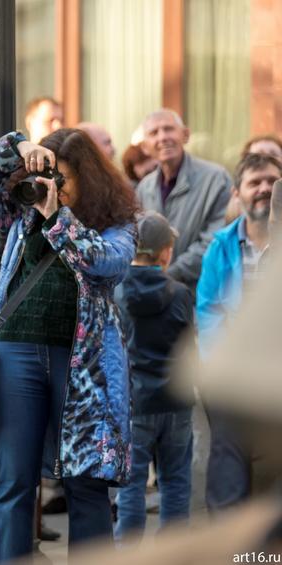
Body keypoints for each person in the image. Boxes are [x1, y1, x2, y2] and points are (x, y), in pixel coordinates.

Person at [0, 127, 138, 563]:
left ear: (88, 178)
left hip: (83, 365)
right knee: (14, 479)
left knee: (86, 480)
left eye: (61, 177)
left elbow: (103, 263)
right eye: (47, 175)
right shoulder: (22, 210)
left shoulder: (117, 223)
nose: (50, 186)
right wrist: (17, 147)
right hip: (15, 352)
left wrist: (59, 218)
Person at [196, 152, 282, 511]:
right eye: (254, 182)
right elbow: (208, 310)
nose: (263, 189)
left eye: (271, 181)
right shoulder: (221, 246)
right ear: (237, 192)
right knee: (229, 480)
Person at [113, 211, 195, 544]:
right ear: (165, 252)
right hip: (177, 400)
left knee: (131, 485)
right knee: (175, 481)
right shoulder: (180, 293)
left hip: (135, 401)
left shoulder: (116, 290)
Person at [135, 109, 232, 288]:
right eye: (154, 133)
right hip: (152, 293)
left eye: (169, 129)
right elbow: (140, 241)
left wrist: (169, 274)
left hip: (200, 293)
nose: (163, 137)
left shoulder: (216, 179)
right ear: (145, 147)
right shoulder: (144, 188)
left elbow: (214, 240)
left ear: (185, 135)